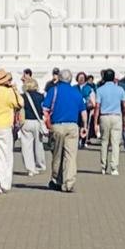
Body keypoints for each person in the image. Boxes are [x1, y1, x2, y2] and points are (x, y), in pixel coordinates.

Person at [43, 65, 86, 193]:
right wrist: (85, 126)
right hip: (73, 127)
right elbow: (83, 112)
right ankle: (69, 183)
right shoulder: (76, 92)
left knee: (57, 155)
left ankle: (56, 179)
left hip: (57, 126)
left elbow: (45, 109)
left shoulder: (53, 91)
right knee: (70, 156)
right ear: (71, 79)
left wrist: (48, 125)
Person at [95, 68, 125, 175]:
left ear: (104, 78)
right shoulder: (120, 90)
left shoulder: (100, 90)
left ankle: (103, 166)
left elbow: (97, 107)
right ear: (114, 78)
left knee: (104, 142)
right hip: (116, 117)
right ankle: (114, 167)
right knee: (115, 143)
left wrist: (95, 121)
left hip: (104, 117)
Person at [19, 77, 47, 176]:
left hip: (26, 122)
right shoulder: (41, 96)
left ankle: (30, 168)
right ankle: (40, 165)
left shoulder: (22, 96)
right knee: (38, 145)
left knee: (26, 146)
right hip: (37, 121)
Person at [75, 72, 96, 149]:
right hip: (76, 110)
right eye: (79, 77)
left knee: (85, 125)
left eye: (82, 77)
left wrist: (91, 106)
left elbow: (93, 100)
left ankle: (83, 141)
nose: (81, 79)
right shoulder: (74, 88)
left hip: (86, 109)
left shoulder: (89, 89)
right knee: (76, 125)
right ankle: (76, 141)